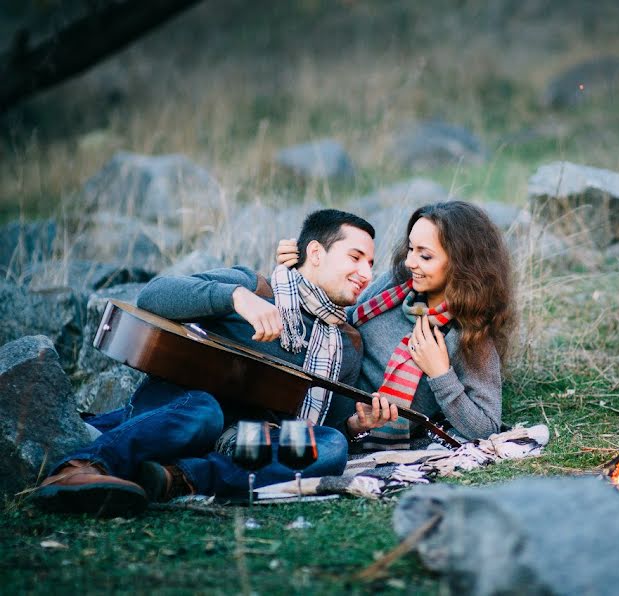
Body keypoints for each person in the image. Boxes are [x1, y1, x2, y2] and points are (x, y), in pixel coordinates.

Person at [32, 209, 394, 516]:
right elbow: (153, 295)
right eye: (355, 257)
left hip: (243, 439)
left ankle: (176, 478)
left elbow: (319, 425)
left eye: (371, 264)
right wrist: (236, 297)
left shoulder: (347, 342)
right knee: (205, 412)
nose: (366, 272)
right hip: (181, 411)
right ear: (315, 253)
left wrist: (352, 424)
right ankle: (79, 468)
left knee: (331, 445)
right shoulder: (254, 287)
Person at [278, 201, 515, 450]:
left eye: (425, 255)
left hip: (338, 431)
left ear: (461, 263)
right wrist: (302, 269)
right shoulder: (396, 284)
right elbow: (335, 317)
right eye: (411, 248)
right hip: (302, 379)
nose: (410, 261)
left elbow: (487, 427)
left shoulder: (470, 336)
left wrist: (440, 374)